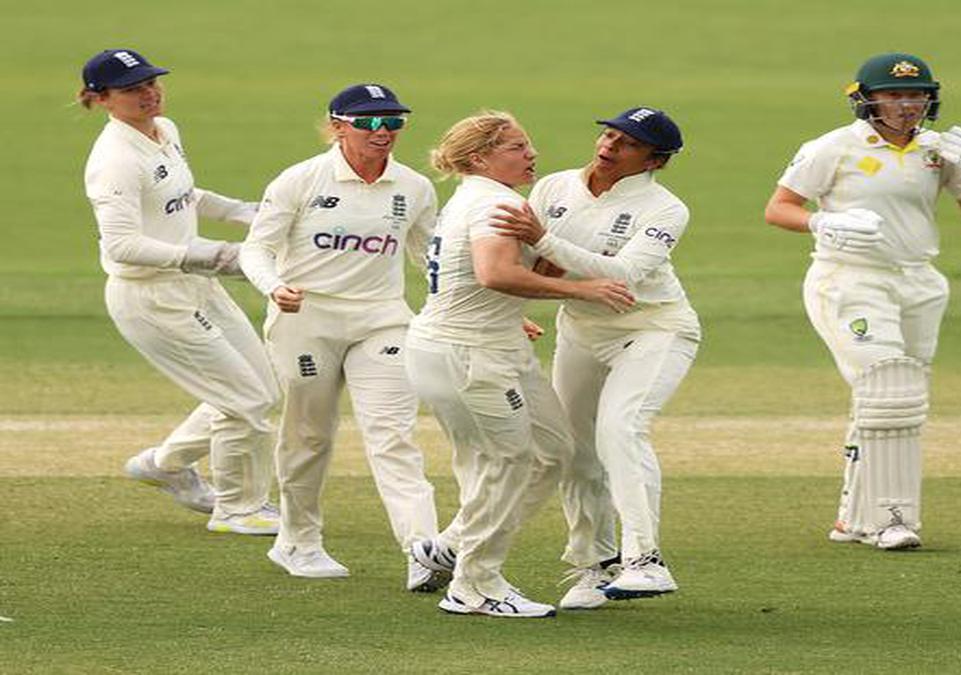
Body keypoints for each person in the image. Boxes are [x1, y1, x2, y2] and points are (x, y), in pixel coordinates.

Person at [763, 53, 961, 550]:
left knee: (893, 399)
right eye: (894, 95)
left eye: (917, 94)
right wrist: (820, 222)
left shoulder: (938, 151)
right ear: (866, 99)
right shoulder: (833, 147)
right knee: (888, 389)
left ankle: (852, 520)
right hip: (850, 279)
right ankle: (892, 519)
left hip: (919, 282)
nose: (907, 104)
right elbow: (779, 208)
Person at [405, 111, 635, 618]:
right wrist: (582, 288)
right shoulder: (495, 201)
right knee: (510, 460)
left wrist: (515, 310)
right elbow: (493, 272)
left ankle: (449, 547)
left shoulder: (476, 197)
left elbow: (481, 275)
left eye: (527, 144)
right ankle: (474, 584)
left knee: (552, 450)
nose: (531, 154)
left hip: (488, 344)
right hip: (469, 354)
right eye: (515, 147)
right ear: (478, 158)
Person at [489, 107, 699, 609]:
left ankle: (645, 561)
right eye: (609, 134)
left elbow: (623, 273)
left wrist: (544, 238)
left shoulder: (665, 208)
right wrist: (512, 310)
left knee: (621, 429)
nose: (608, 146)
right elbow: (524, 262)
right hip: (581, 329)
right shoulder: (555, 188)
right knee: (575, 451)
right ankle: (594, 565)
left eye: (627, 143)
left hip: (653, 328)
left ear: (655, 160)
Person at [239, 84, 444, 589]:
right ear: (338, 126)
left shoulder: (413, 187)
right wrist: (274, 287)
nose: (384, 133)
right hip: (306, 319)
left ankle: (423, 548)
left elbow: (434, 261)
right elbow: (255, 250)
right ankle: (298, 541)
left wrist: (486, 312)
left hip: (382, 320)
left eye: (393, 123)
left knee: (393, 434)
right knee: (310, 434)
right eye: (370, 123)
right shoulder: (301, 179)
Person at [80, 48, 280, 535]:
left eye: (151, 82)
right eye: (133, 89)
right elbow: (123, 245)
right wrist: (208, 255)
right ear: (101, 99)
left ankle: (165, 464)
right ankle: (238, 509)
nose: (149, 93)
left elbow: (183, 194)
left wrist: (248, 212)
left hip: (194, 282)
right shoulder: (114, 161)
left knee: (264, 389)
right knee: (245, 403)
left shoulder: (165, 131)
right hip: (151, 298)